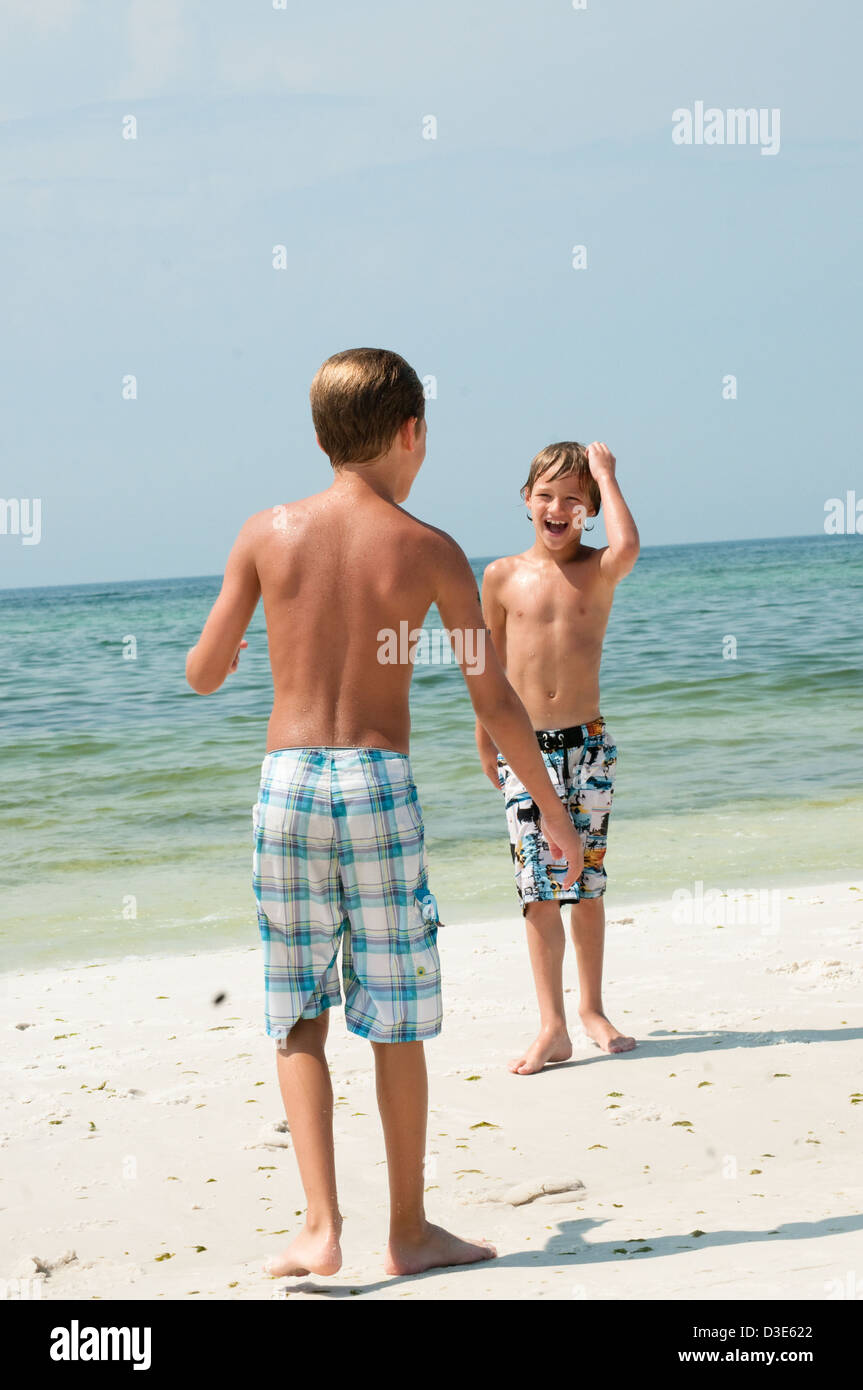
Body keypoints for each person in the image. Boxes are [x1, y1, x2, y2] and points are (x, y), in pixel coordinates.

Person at [185, 349, 585, 1278]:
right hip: (376, 784)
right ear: (410, 433)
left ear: (321, 435)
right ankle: (407, 1230)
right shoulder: (430, 549)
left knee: (298, 1012)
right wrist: (552, 812)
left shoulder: (264, 532)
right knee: (396, 1016)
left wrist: (236, 649)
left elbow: (201, 674)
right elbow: (493, 700)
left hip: (287, 786)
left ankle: (320, 1228)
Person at [475, 441, 640, 1074]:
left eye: (575, 499)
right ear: (526, 500)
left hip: (588, 747)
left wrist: (606, 475)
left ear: (590, 510)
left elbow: (628, 545)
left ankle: (592, 1009)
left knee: (587, 883)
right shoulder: (501, 576)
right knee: (537, 890)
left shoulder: (600, 569)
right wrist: (484, 736)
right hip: (523, 750)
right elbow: (487, 665)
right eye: (546, 495)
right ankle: (553, 1026)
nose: (558, 508)